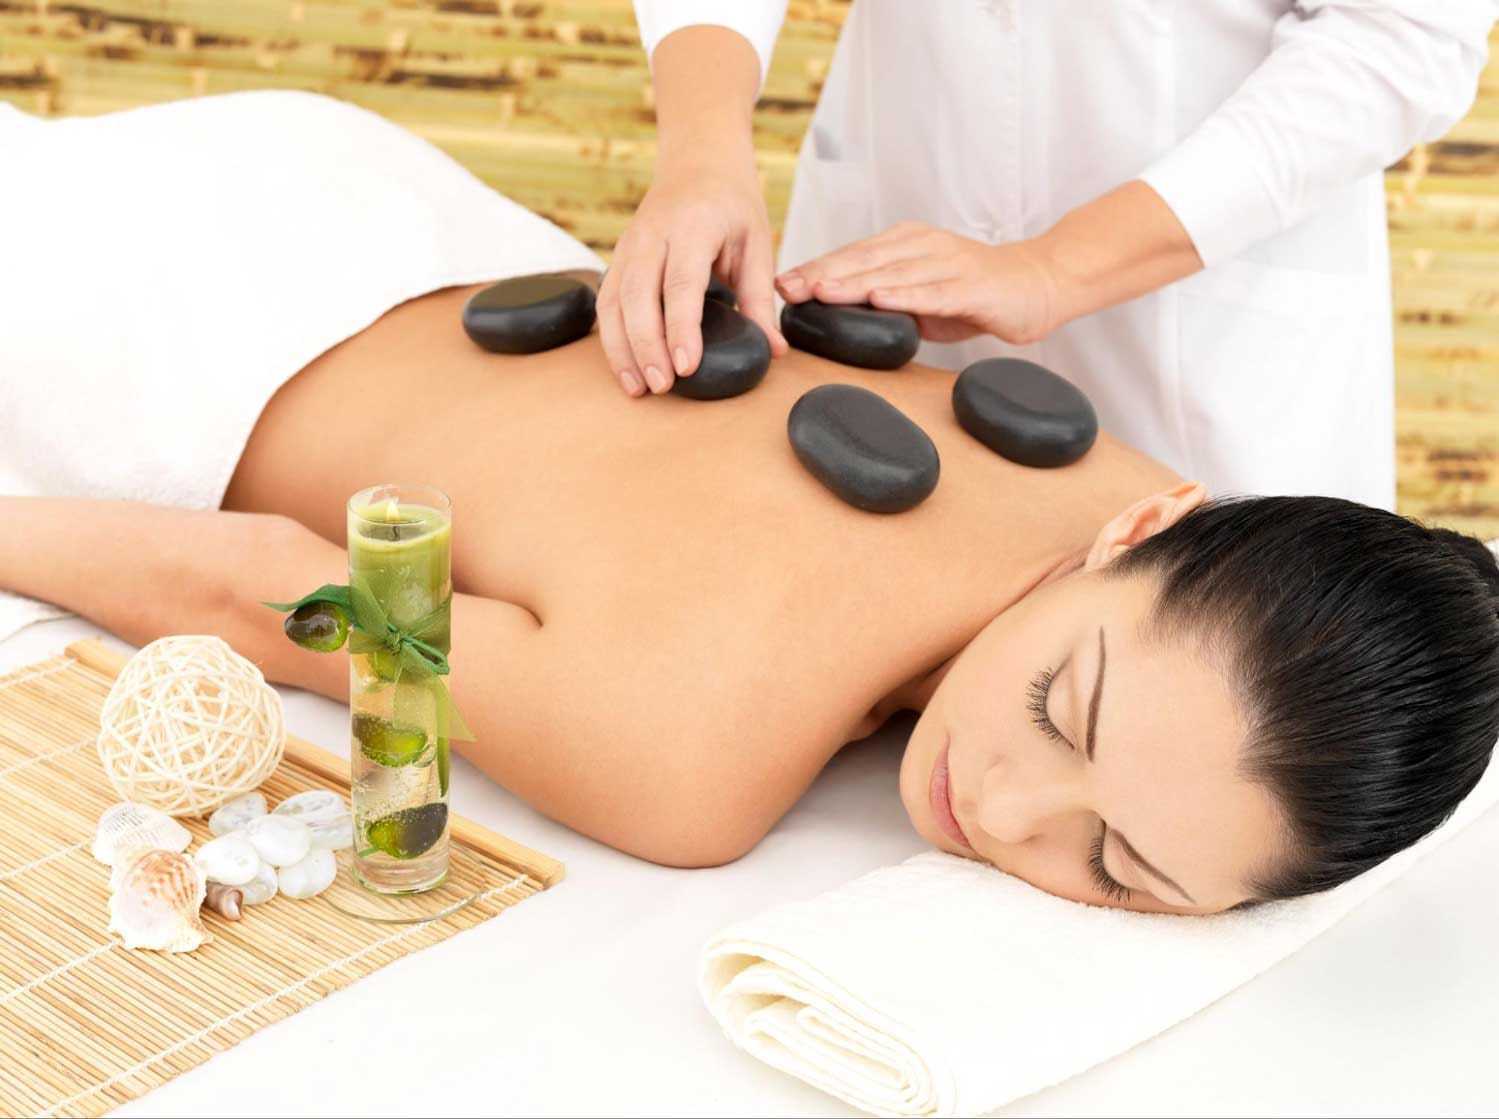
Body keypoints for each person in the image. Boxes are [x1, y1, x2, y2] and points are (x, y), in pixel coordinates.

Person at [3, 92, 1496, 915]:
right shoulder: (687, 754)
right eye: (1061, 708)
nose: (1009, 811)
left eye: (1115, 866)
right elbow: (262, 583)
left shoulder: (1140, 481)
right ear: (1137, 538)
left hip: (379, 190)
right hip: (142, 327)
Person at [614, 1, 1496, 507]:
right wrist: (703, 145)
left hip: (1208, 322)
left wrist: (1054, 265)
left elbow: (1398, 33)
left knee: (1200, 684)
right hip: (893, 234)